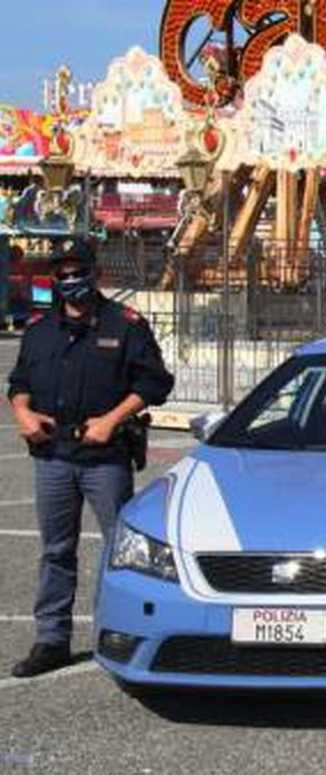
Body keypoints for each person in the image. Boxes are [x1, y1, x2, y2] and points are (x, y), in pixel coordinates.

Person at [6, 238, 174, 678]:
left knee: (122, 550)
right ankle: (51, 640)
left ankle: (118, 633)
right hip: (53, 454)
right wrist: (22, 412)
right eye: (60, 273)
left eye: (76, 271)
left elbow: (155, 382)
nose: (69, 280)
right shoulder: (41, 329)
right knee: (56, 550)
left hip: (104, 455)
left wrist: (112, 419)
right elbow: (19, 379)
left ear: (94, 273)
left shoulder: (125, 325)